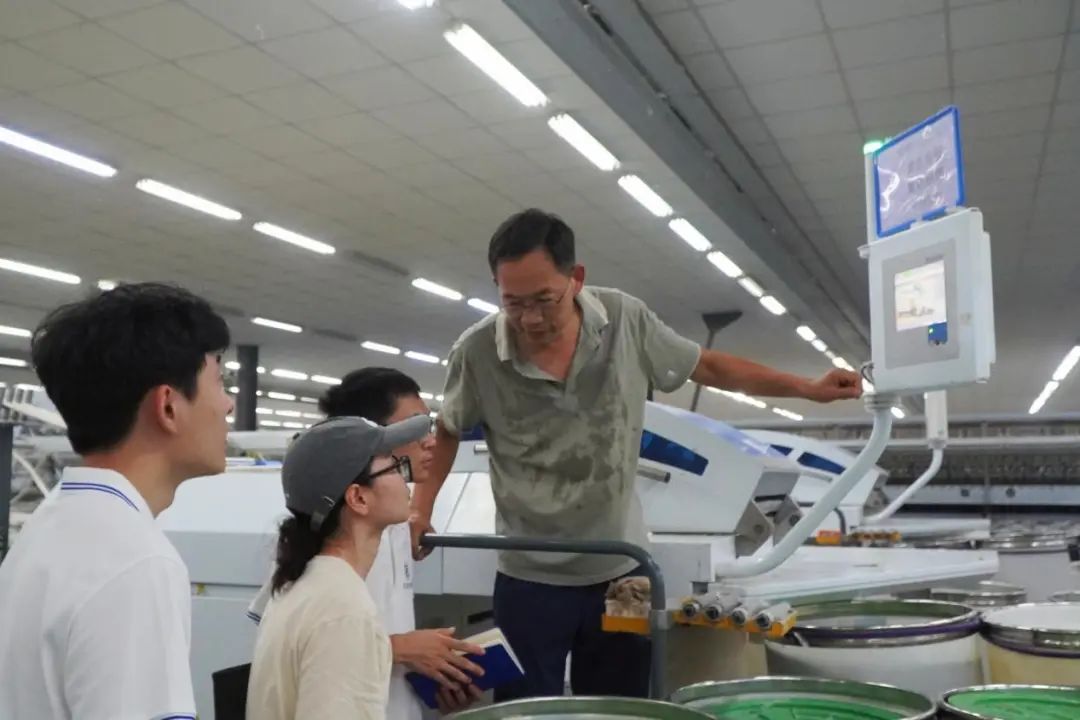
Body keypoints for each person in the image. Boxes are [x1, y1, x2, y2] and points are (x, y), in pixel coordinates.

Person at [410, 208, 864, 700]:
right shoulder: (477, 351)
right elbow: (449, 428)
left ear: (576, 278)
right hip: (528, 578)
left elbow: (708, 367)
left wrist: (806, 388)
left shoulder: (624, 320)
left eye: (544, 299)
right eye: (513, 303)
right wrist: (420, 508)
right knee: (526, 709)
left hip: (623, 574)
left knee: (622, 703)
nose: (531, 319)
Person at [0, 283, 233, 720]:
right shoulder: (138, 563)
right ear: (168, 407)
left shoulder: (47, 527)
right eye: (219, 382)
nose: (229, 404)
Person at [246, 368, 483, 717]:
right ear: (357, 496)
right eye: (391, 464)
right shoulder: (338, 600)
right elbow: (320, 645)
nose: (431, 441)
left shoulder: (389, 528)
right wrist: (401, 647)